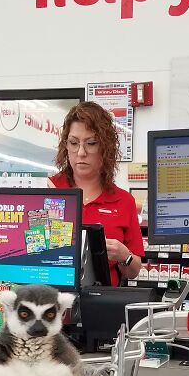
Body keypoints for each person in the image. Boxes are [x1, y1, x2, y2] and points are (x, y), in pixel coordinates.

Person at [50, 102, 143, 286]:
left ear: (105, 148)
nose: (81, 152)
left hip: (101, 304)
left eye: (91, 143)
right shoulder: (49, 190)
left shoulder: (123, 201)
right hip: (52, 301)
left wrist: (124, 256)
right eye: (74, 143)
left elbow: (133, 271)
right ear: (65, 145)